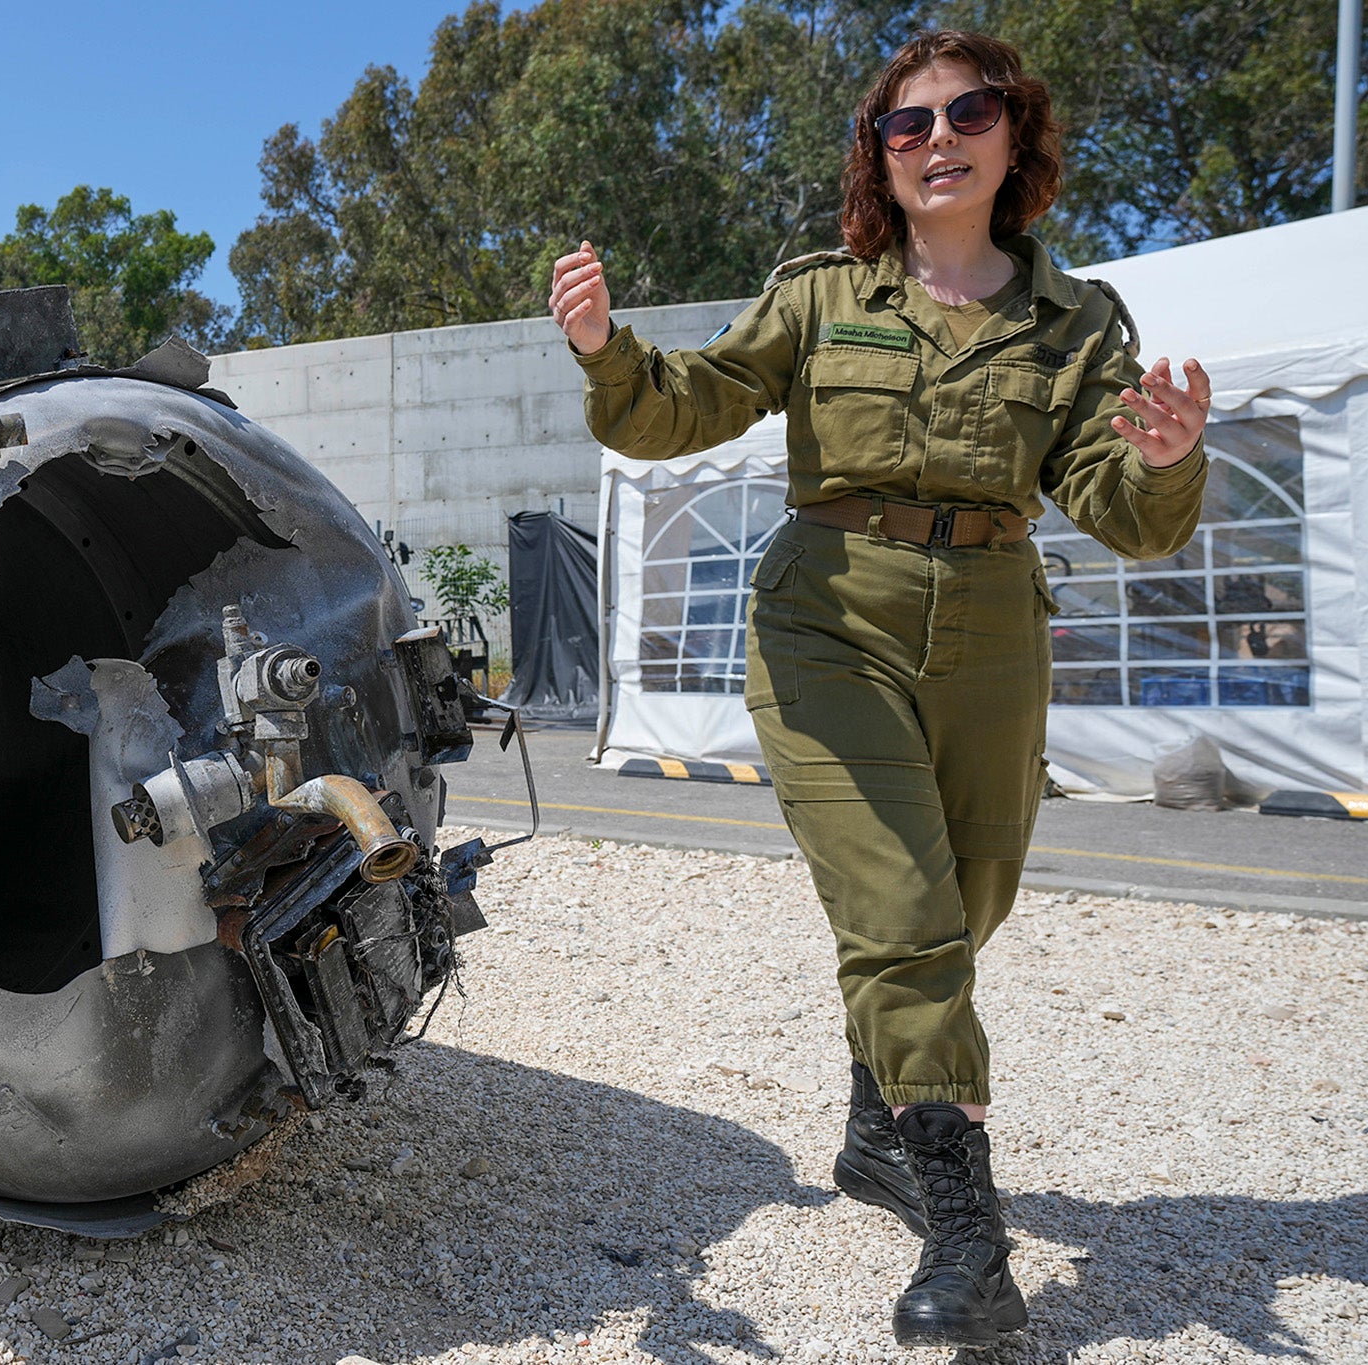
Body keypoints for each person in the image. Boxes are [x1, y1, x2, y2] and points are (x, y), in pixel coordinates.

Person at [548, 29, 1209, 1350]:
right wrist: (610, 351)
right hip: (826, 620)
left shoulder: (1077, 323)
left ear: (1013, 134)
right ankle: (972, 1238)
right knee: (903, 907)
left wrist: (1168, 460)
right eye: (908, 125)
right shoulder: (822, 295)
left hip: (996, 627)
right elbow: (684, 405)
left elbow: (1123, 512)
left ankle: (878, 1131)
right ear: (880, 157)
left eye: (968, 112)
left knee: (966, 900)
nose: (940, 139)